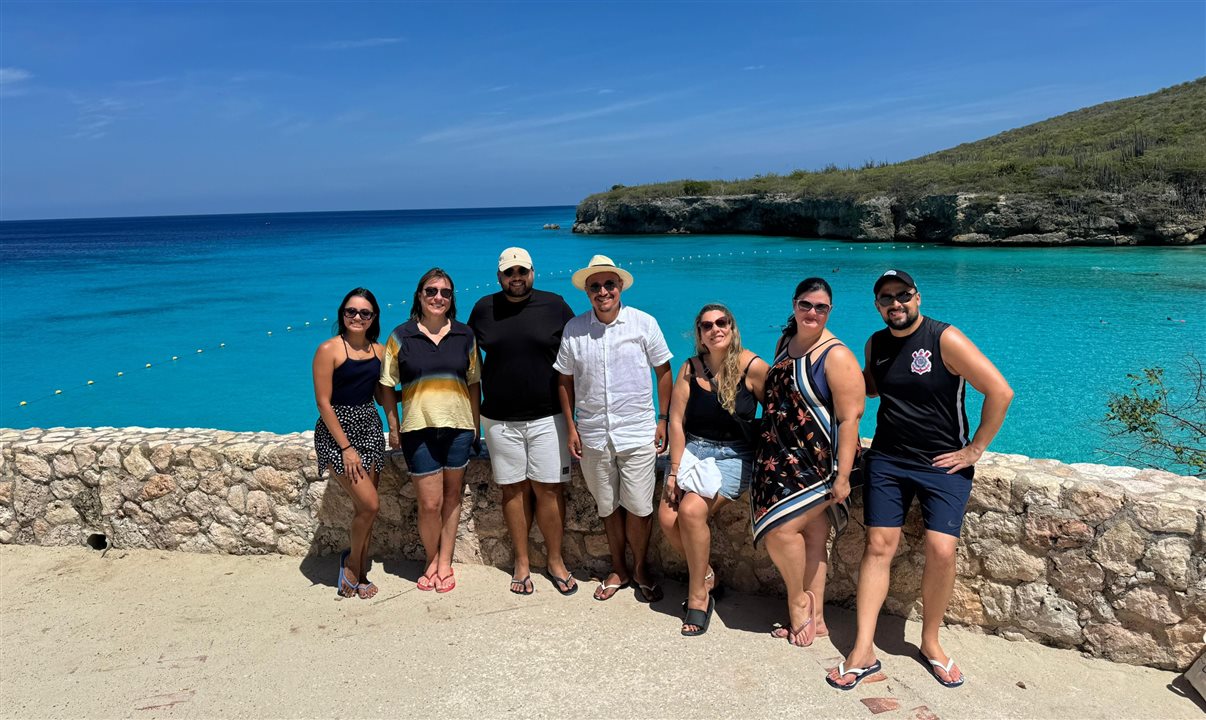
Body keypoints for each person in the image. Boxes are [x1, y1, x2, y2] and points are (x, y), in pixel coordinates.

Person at [827, 269, 1013, 691]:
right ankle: (862, 649)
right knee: (879, 545)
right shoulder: (875, 343)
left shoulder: (944, 338)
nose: (896, 303)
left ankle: (931, 643)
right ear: (877, 305)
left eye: (903, 295)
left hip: (942, 463)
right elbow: (865, 389)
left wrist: (974, 449)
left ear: (918, 297)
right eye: (886, 298)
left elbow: (1000, 391)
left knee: (941, 548)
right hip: (889, 459)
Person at [752, 277, 865, 647]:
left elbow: (850, 420)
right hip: (781, 456)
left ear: (830, 311)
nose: (812, 312)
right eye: (806, 305)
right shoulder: (785, 343)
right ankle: (816, 621)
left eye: (821, 307)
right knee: (814, 537)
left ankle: (798, 602)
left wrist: (843, 476)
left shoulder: (837, 356)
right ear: (794, 304)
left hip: (819, 466)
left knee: (780, 531)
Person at [554, 254, 673, 603]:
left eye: (609, 284)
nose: (603, 291)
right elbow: (564, 380)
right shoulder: (575, 329)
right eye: (595, 286)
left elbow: (663, 372)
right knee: (607, 506)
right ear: (587, 292)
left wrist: (662, 419)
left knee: (639, 506)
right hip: (592, 433)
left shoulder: (644, 323)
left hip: (637, 431)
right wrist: (571, 426)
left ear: (620, 287)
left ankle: (641, 568)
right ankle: (619, 568)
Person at [468, 247, 578, 596]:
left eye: (522, 271)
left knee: (549, 489)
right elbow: (466, 359)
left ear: (533, 272)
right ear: (499, 277)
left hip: (549, 415)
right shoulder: (484, 309)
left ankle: (556, 561)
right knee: (512, 489)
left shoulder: (556, 305)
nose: (516, 278)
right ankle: (522, 562)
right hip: (499, 418)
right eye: (509, 273)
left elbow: (580, 353)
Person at [659, 303, 768, 635]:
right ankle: (706, 574)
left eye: (722, 323)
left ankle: (698, 598)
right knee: (667, 518)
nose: (715, 329)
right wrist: (675, 470)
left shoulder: (753, 367)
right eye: (707, 326)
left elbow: (778, 414)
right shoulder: (690, 369)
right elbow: (676, 422)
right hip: (693, 449)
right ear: (700, 334)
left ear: (732, 328)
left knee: (691, 511)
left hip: (734, 455)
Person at [380, 268, 481, 594]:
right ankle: (431, 557)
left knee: (452, 499)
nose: (438, 297)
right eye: (431, 291)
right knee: (429, 504)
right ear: (419, 296)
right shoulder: (400, 336)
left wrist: (476, 427)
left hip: (459, 429)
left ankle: (444, 562)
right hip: (417, 430)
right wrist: (393, 425)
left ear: (451, 299)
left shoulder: (465, 335)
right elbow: (386, 386)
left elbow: (474, 384)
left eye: (445, 292)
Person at [311, 288, 388, 599]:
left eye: (365, 313)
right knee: (370, 504)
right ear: (342, 314)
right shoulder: (328, 349)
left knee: (364, 508)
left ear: (373, 318)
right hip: (337, 434)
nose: (357, 317)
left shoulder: (379, 351)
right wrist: (346, 448)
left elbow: (382, 396)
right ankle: (353, 565)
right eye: (351, 312)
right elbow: (323, 403)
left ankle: (361, 569)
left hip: (369, 427)